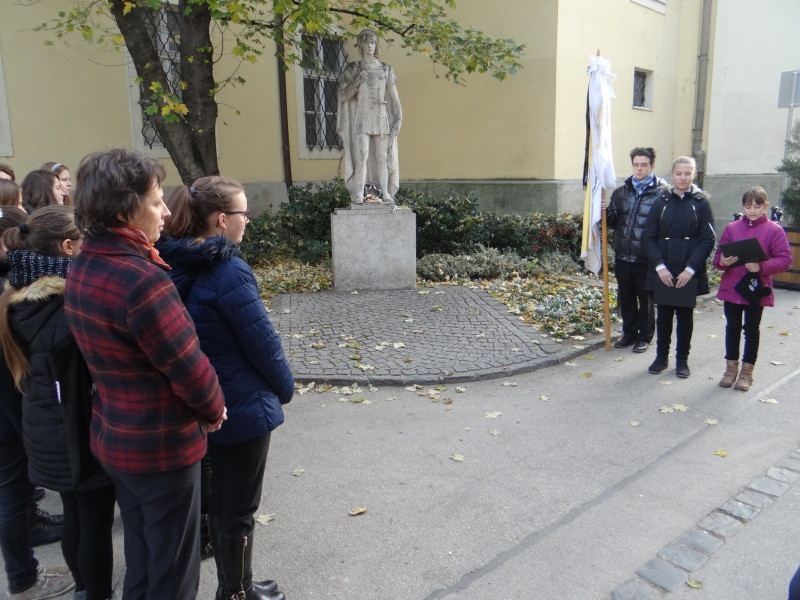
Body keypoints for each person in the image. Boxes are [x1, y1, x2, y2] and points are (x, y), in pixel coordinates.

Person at [63, 149, 227, 600]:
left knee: (141, 561)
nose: (166, 212)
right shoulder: (143, 279)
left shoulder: (84, 264)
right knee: (173, 574)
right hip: (161, 448)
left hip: (115, 438)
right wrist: (214, 409)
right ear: (124, 211)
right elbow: (189, 366)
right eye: (156, 202)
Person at [157, 177, 293, 600]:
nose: (246, 220)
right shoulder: (228, 270)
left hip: (201, 401)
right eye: (243, 213)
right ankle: (236, 592)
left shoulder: (171, 260)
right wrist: (284, 388)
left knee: (219, 502)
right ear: (221, 219)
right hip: (240, 406)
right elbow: (262, 342)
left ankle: (236, 585)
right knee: (239, 509)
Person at [0, 206, 116, 600]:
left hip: (47, 429)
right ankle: (96, 592)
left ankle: (84, 588)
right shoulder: (70, 303)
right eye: (86, 239)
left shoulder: (17, 295)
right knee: (94, 524)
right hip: (76, 430)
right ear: (68, 247)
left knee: (77, 517)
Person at [0, 207, 74, 600]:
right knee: (11, 491)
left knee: (11, 489)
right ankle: (24, 581)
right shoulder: (24, 298)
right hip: (15, 417)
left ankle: (22, 576)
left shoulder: (11, 289)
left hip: (18, 415)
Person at [643, 156, 716, 378]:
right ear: (672, 174)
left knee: (685, 317)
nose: (683, 177)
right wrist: (660, 267)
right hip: (664, 269)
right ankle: (661, 357)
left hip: (687, 270)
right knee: (664, 315)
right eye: (678, 173)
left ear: (693, 175)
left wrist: (690, 269)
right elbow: (649, 237)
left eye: (687, 173)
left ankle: (682, 360)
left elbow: (708, 239)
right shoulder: (661, 201)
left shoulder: (701, 203)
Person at [713, 187, 791, 391]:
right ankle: (730, 370)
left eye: (757, 206)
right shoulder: (732, 228)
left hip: (756, 289)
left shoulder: (774, 230)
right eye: (748, 207)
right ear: (742, 207)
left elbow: (785, 259)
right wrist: (723, 261)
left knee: (751, 330)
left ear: (765, 206)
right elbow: (718, 258)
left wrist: (761, 266)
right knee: (732, 328)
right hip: (733, 287)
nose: (752, 211)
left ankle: (746, 373)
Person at [605, 147, 668, 353]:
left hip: (646, 256)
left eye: (643, 165)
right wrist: (604, 212)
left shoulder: (662, 193)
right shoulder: (622, 192)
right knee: (626, 296)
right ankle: (629, 333)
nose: (639, 169)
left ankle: (644, 336)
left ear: (652, 166)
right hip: (623, 253)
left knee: (646, 299)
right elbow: (613, 222)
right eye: (636, 165)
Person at [337, 29, 402, 204]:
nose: (369, 46)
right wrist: (357, 81)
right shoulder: (353, 69)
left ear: (376, 45)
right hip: (362, 114)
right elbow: (343, 96)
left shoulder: (385, 69)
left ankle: (385, 193)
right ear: (360, 45)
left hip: (381, 115)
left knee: (382, 156)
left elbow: (394, 99)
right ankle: (359, 192)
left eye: (372, 42)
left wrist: (398, 119)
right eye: (365, 43)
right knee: (362, 155)